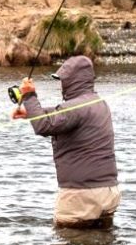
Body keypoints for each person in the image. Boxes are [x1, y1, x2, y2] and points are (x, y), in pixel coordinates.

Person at [12, 54, 120, 228]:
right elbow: (64, 116)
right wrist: (31, 113)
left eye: (63, 80)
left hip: (81, 195)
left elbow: (43, 126)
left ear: (73, 80)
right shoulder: (99, 103)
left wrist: (29, 96)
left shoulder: (75, 108)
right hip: (108, 192)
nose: (61, 84)